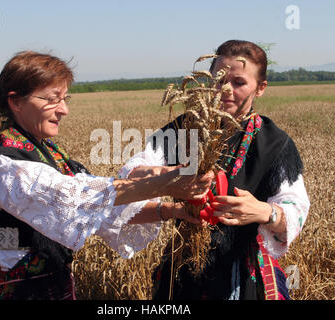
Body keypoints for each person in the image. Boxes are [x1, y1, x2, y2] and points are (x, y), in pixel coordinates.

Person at [0, 51, 214, 300]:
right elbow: (79, 199)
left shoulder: (50, 155)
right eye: (53, 99)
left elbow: (102, 209)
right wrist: (164, 184)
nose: (63, 110)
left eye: (65, 98)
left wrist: (172, 210)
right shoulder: (5, 166)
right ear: (16, 102)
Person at [124, 40, 310, 300]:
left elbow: (295, 207)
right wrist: (168, 179)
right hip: (184, 266)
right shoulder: (182, 130)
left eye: (239, 82)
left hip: (246, 274)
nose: (225, 90)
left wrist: (263, 211)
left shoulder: (274, 143)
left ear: (261, 88)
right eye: (218, 79)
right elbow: (132, 173)